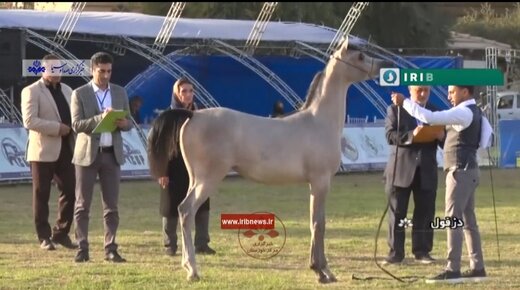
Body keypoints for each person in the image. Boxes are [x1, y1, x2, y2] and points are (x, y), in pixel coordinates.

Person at [392, 85, 492, 283]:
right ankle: (477, 266)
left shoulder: (463, 112)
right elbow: (485, 138)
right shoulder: (475, 111)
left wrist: (405, 103)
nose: (448, 95)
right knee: (468, 221)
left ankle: (452, 268)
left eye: (452, 91)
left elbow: (429, 118)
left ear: (465, 92)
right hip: (469, 169)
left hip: (460, 171)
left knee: (453, 220)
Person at [70, 52, 133, 263]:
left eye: (109, 71)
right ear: (92, 70)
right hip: (87, 155)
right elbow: (77, 125)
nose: (106, 75)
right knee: (82, 205)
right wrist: (101, 118)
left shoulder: (120, 92)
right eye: (101, 71)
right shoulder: (80, 93)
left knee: (111, 206)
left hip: (111, 155)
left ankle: (111, 248)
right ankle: (82, 247)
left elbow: (129, 121)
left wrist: (124, 123)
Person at [20, 54, 77, 251]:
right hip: (42, 151)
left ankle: (61, 233)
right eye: (52, 68)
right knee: (41, 194)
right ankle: (43, 236)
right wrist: (57, 128)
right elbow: (29, 121)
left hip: (66, 148)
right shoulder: (31, 91)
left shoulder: (68, 90)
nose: (57, 72)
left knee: (71, 190)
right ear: (43, 69)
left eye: (59, 68)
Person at [383, 86, 442, 265]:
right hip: (401, 169)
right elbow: (389, 135)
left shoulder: (435, 111)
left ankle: (422, 251)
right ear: (410, 90)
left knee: (425, 212)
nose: (423, 94)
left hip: (426, 169)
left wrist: (441, 136)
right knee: (397, 213)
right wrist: (411, 136)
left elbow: (445, 141)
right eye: (419, 90)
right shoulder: (395, 109)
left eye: (426, 90)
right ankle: (395, 253)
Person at [156, 77, 216, 256]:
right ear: (176, 93)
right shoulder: (167, 116)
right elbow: (159, 146)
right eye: (184, 91)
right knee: (170, 206)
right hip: (173, 167)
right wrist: (162, 172)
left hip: (198, 167)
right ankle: (170, 245)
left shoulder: (201, 114)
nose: (188, 95)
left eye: (190, 91)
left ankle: (201, 243)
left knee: (202, 204)